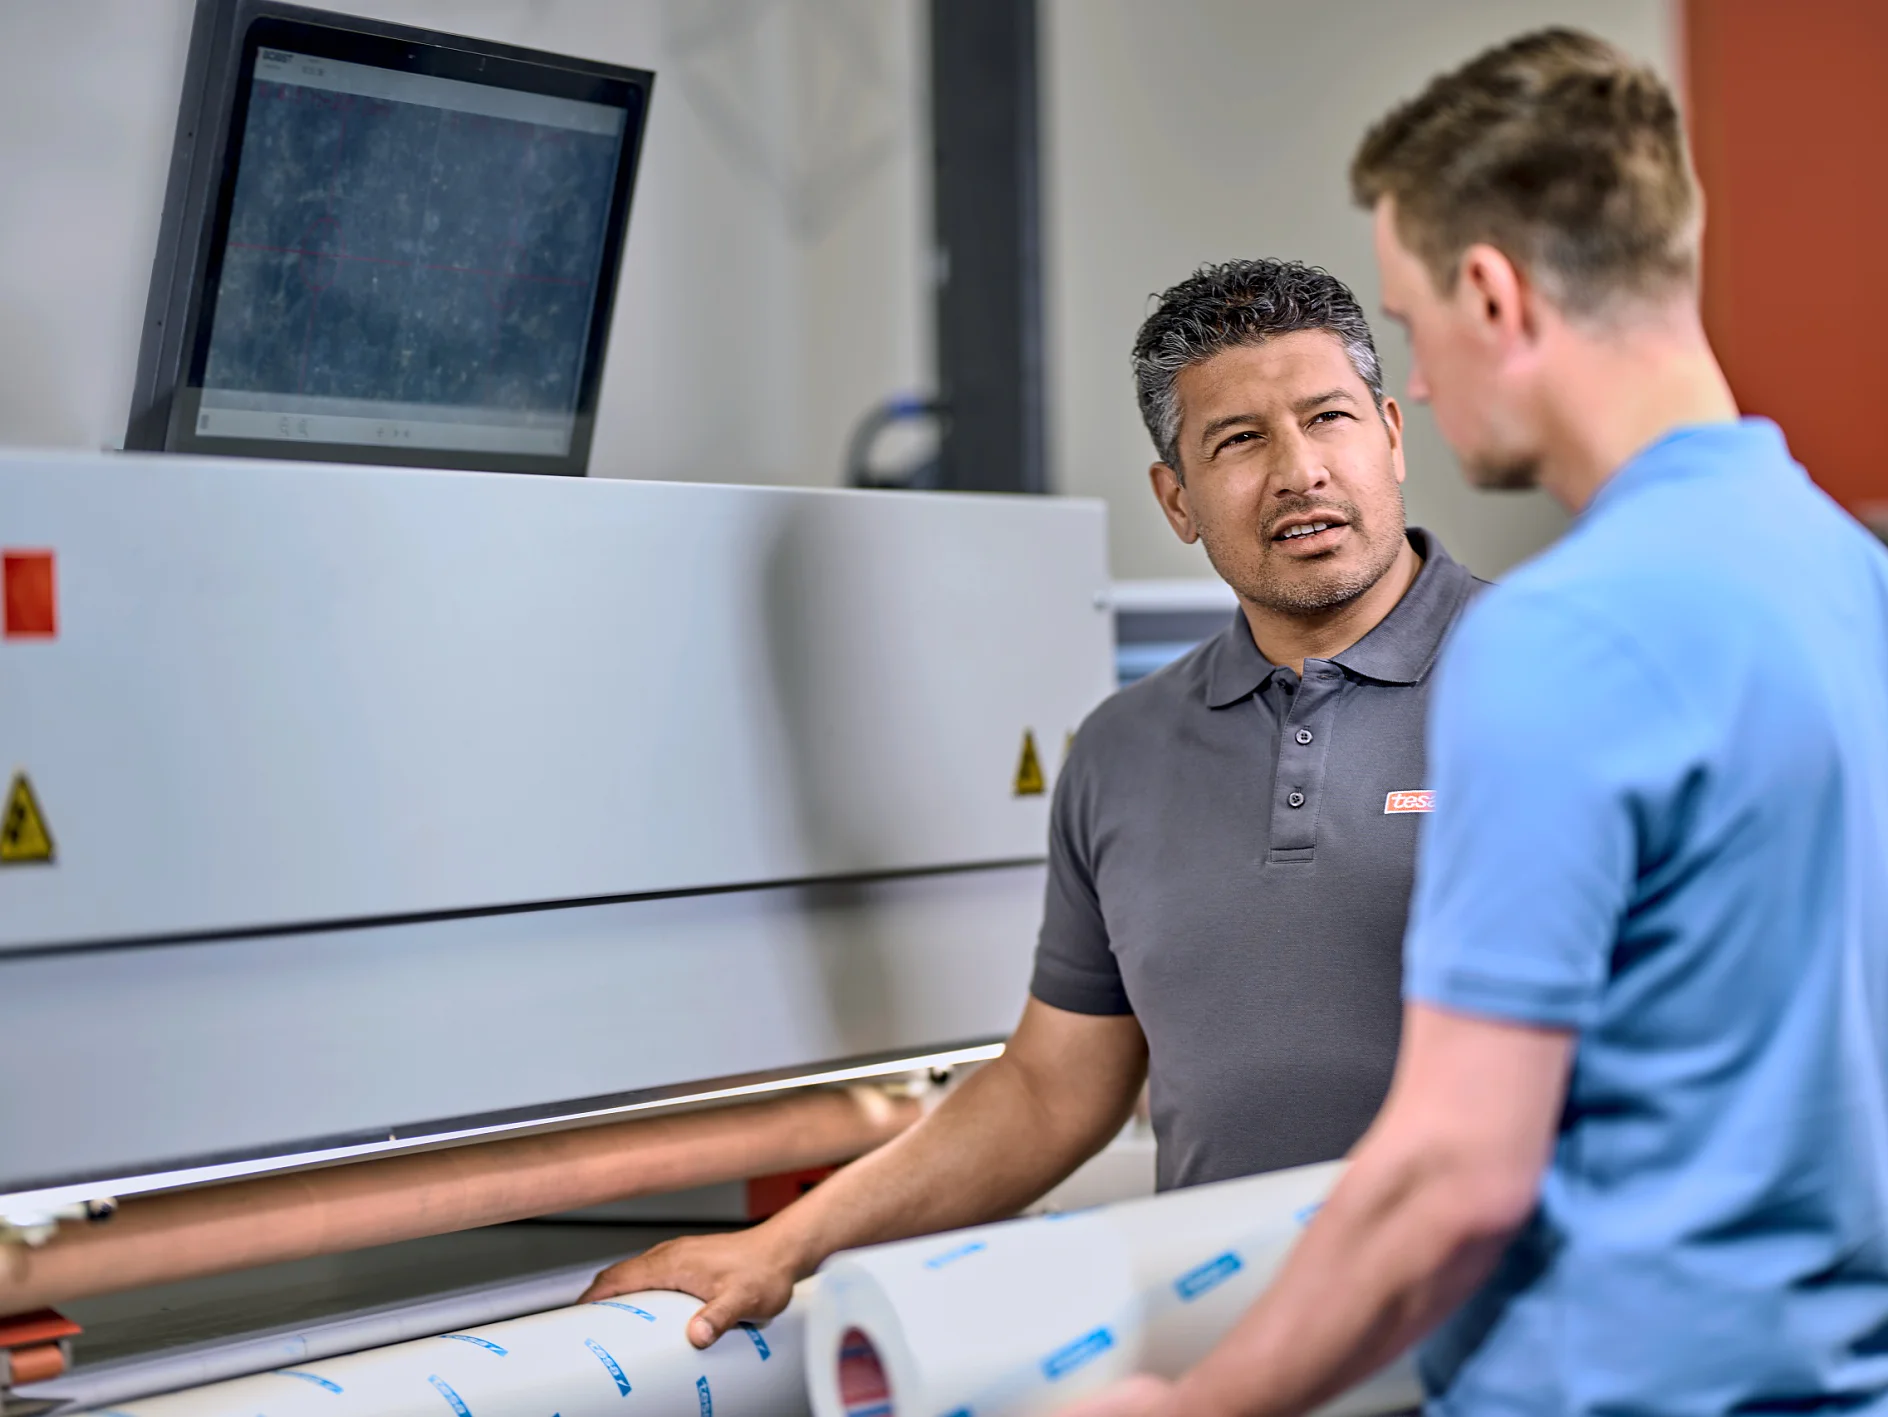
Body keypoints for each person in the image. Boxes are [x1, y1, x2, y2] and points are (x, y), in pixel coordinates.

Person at [1067, 28, 1888, 1417]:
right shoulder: (1845, 574)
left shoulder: (1553, 641)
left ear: (1494, 295)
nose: (1424, 389)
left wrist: (1190, 1405)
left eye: (1415, 325)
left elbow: (1459, 1172)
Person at [581, 259, 1485, 1342]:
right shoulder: (1124, 751)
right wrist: (781, 1245)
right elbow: (1052, 1089)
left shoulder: (1552, 681)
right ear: (1176, 500)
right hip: (1236, 1358)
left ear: (1389, 434)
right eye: (1237, 441)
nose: (1299, 471)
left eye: (1325, 418)